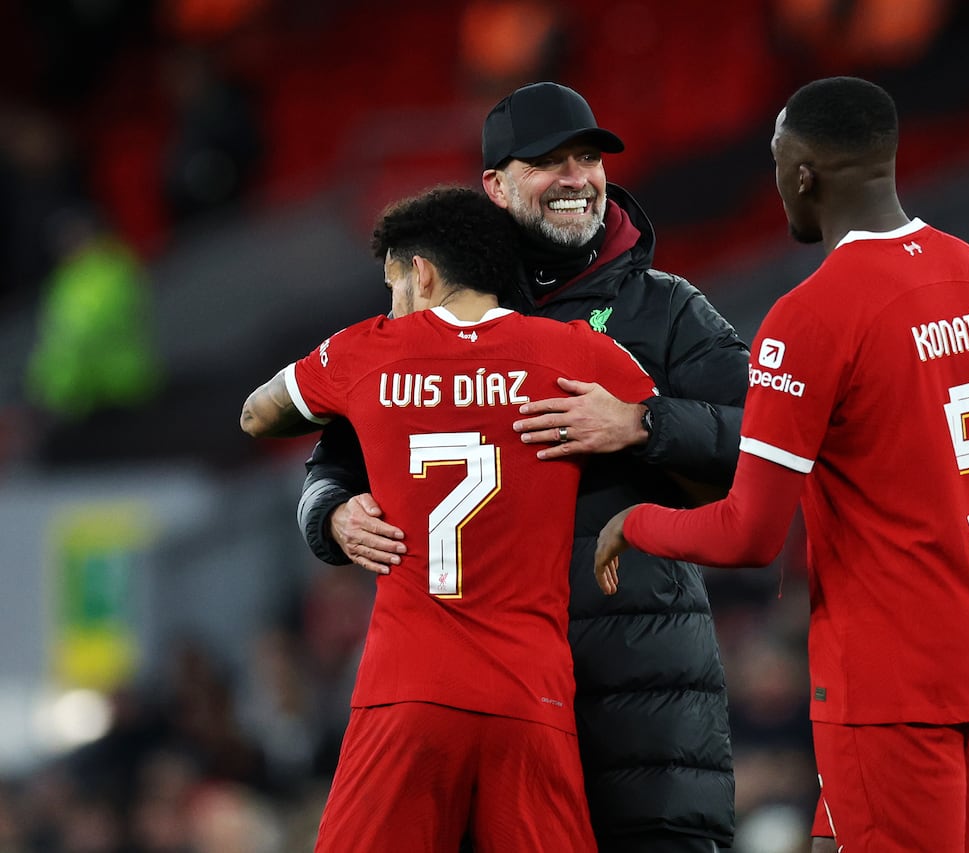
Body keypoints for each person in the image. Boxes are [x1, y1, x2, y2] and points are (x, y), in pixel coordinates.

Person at [595, 76, 969, 852]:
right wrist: (957, 504)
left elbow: (750, 533)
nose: (774, 187)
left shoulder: (809, 317)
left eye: (776, 166)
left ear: (803, 173)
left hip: (890, 686)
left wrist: (636, 522)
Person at [296, 82, 743, 852]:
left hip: (640, 698)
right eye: (548, 163)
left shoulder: (667, 309)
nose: (577, 178)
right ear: (495, 187)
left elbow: (762, 443)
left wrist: (641, 422)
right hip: (483, 702)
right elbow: (332, 458)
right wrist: (330, 512)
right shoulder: (425, 320)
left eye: (587, 159)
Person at [241, 185, 658, 851]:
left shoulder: (367, 352)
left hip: (406, 692)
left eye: (393, 284)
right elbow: (685, 432)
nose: (392, 304)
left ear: (421, 271)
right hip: (531, 695)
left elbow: (257, 412)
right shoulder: (576, 353)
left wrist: (353, 414)